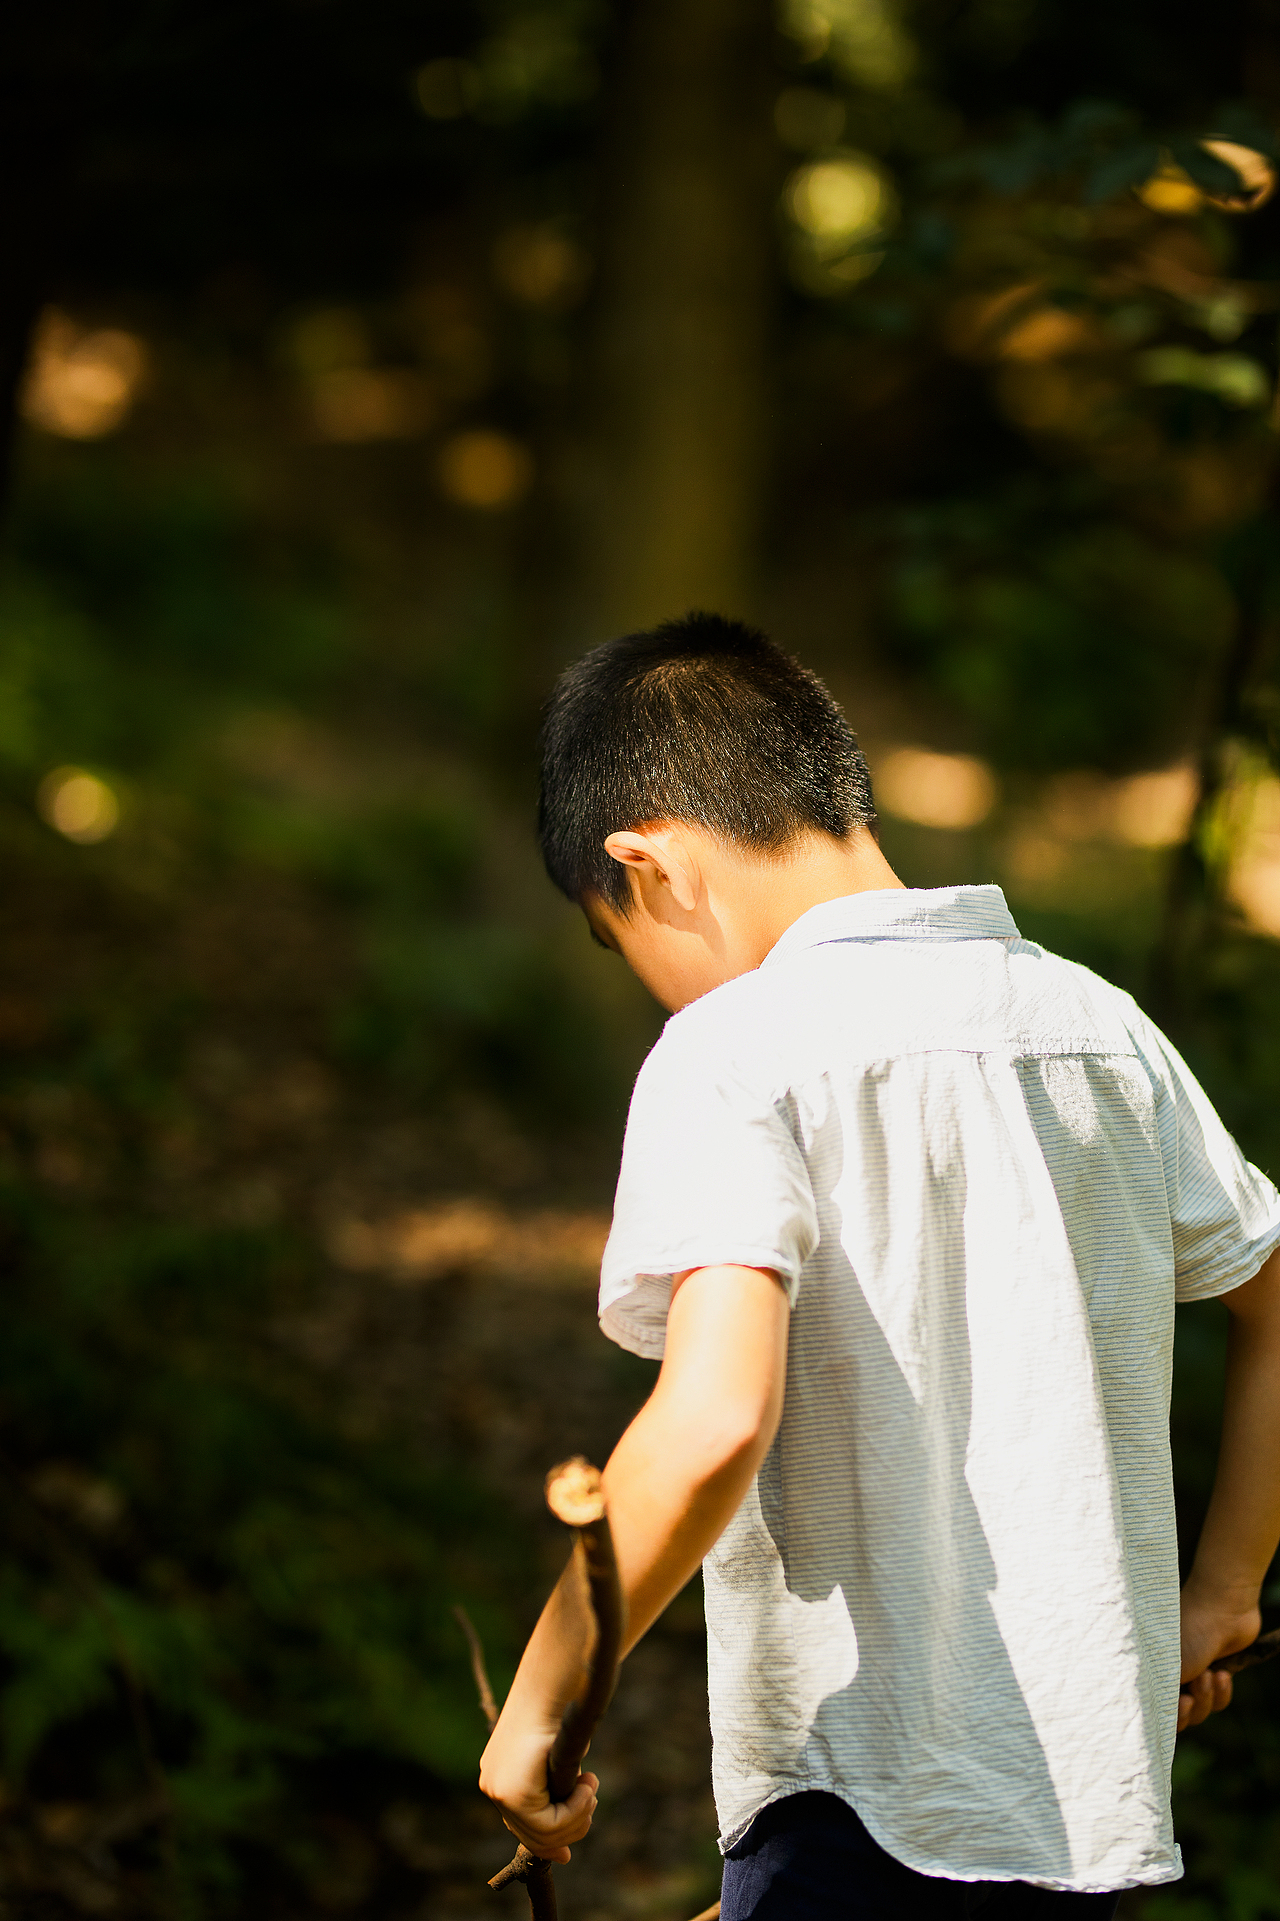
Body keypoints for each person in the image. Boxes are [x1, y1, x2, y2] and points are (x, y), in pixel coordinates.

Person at [479, 613, 1280, 1918]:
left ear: (650, 864)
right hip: (1092, 1820)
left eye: (622, 945)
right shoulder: (1100, 1032)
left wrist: (541, 1698)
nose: (658, 998)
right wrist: (1225, 1588)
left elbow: (718, 1410)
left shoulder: (733, 1048)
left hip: (855, 1812)